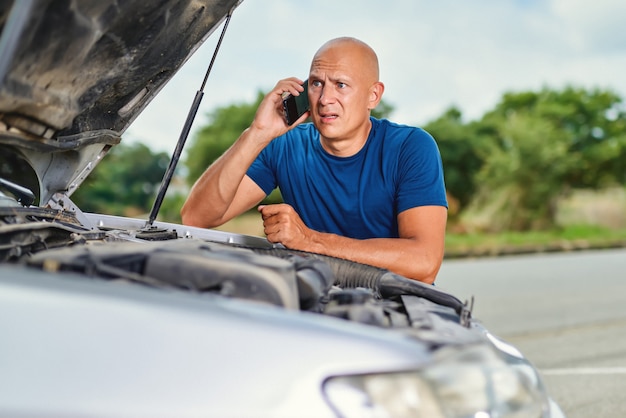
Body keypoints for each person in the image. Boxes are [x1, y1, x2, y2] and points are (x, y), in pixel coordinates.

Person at [181, 37, 448, 284]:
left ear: (373, 95)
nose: (324, 99)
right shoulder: (284, 145)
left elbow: (424, 262)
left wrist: (310, 240)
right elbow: (196, 217)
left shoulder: (410, 148)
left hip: (393, 308)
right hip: (316, 303)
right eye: (317, 83)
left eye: (340, 85)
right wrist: (256, 134)